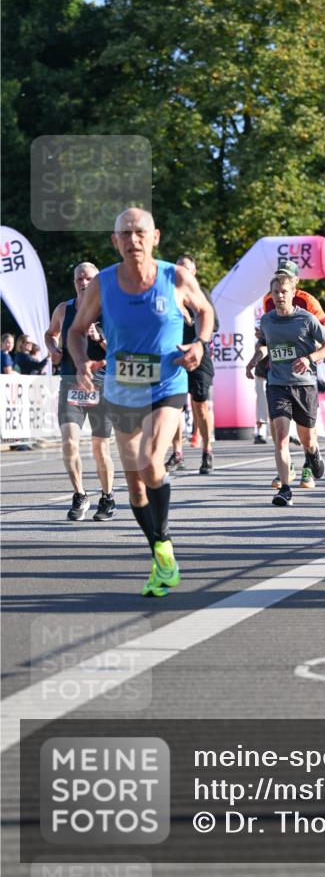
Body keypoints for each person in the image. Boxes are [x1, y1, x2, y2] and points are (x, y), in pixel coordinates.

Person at [67, 208, 214, 595]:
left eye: (140, 232)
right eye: (125, 234)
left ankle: (163, 542)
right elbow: (77, 330)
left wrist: (199, 342)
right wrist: (81, 361)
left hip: (167, 382)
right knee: (135, 488)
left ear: (155, 237)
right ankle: (161, 559)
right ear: (114, 241)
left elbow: (206, 311)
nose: (133, 239)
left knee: (151, 461)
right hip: (121, 389)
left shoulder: (175, 277)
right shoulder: (102, 284)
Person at [246, 272, 325, 506]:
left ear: (293, 294)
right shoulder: (267, 320)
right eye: (275, 292)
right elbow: (265, 344)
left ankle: (313, 454)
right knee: (281, 438)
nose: (279, 296)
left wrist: (310, 358)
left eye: (284, 292)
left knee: (307, 441)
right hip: (277, 384)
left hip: (304, 386)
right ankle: (285, 489)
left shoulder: (306, 319)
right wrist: (255, 358)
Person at [44, 262, 116, 521]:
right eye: (78, 279)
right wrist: (53, 349)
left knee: (100, 447)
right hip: (70, 383)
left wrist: (99, 338)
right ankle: (80, 495)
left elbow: (120, 351)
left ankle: (107, 498)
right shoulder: (64, 309)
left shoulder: (109, 309)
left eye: (88, 278)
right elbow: (50, 333)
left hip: (100, 383)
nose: (83, 283)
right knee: (69, 442)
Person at [164, 254, 219, 475]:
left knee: (200, 405)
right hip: (172, 354)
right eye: (179, 269)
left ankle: (207, 449)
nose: (182, 272)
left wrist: (191, 321)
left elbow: (214, 325)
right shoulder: (168, 294)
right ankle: (177, 452)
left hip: (198, 354)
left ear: (194, 272)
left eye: (186, 268)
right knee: (174, 406)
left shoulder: (201, 294)